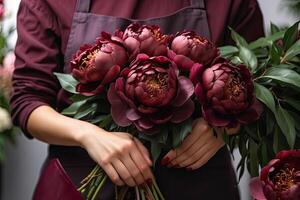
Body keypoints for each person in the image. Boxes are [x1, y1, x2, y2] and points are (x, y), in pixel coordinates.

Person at [11, 0, 264, 199]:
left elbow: (261, 86)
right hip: (84, 187)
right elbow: (27, 100)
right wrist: (88, 135)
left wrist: (225, 128)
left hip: (197, 185)